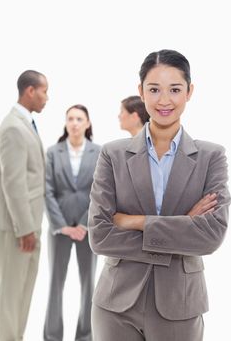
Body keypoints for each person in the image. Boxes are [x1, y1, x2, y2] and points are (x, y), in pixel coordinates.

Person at [88, 49, 230, 341]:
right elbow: (100, 236)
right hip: (115, 306)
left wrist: (136, 221)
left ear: (189, 92)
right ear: (141, 91)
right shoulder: (113, 154)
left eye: (175, 89)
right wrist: (183, 224)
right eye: (154, 89)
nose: (164, 100)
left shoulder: (211, 157)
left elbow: (211, 236)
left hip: (180, 304)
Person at [0, 70, 48, 341]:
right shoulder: (12, 127)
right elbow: (12, 183)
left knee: (23, 294)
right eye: (44, 91)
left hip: (31, 225)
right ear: (30, 90)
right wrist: (24, 229)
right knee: (10, 296)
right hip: (18, 228)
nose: (47, 98)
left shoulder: (25, 124)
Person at [43, 104, 100, 341]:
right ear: (66, 123)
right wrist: (63, 225)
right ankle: (52, 336)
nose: (74, 123)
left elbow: (101, 192)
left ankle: (85, 335)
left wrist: (85, 224)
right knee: (55, 283)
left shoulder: (98, 152)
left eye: (79, 118)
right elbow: (47, 191)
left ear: (87, 123)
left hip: (89, 229)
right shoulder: (53, 152)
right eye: (70, 119)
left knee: (89, 284)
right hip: (60, 228)